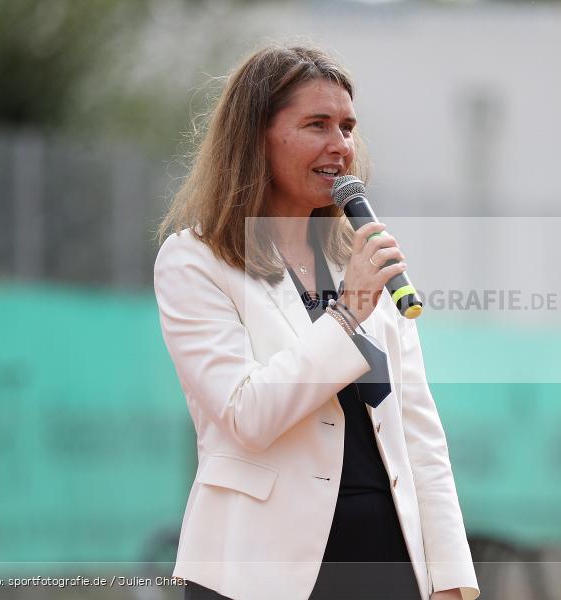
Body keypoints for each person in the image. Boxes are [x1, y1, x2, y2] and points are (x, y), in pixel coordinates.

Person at [153, 44, 480, 600]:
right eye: (317, 125)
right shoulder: (195, 260)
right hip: (257, 568)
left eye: (347, 127)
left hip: (385, 558)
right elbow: (248, 414)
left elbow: (419, 433)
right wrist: (347, 314)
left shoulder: (361, 258)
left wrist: (450, 579)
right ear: (256, 136)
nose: (341, 145)